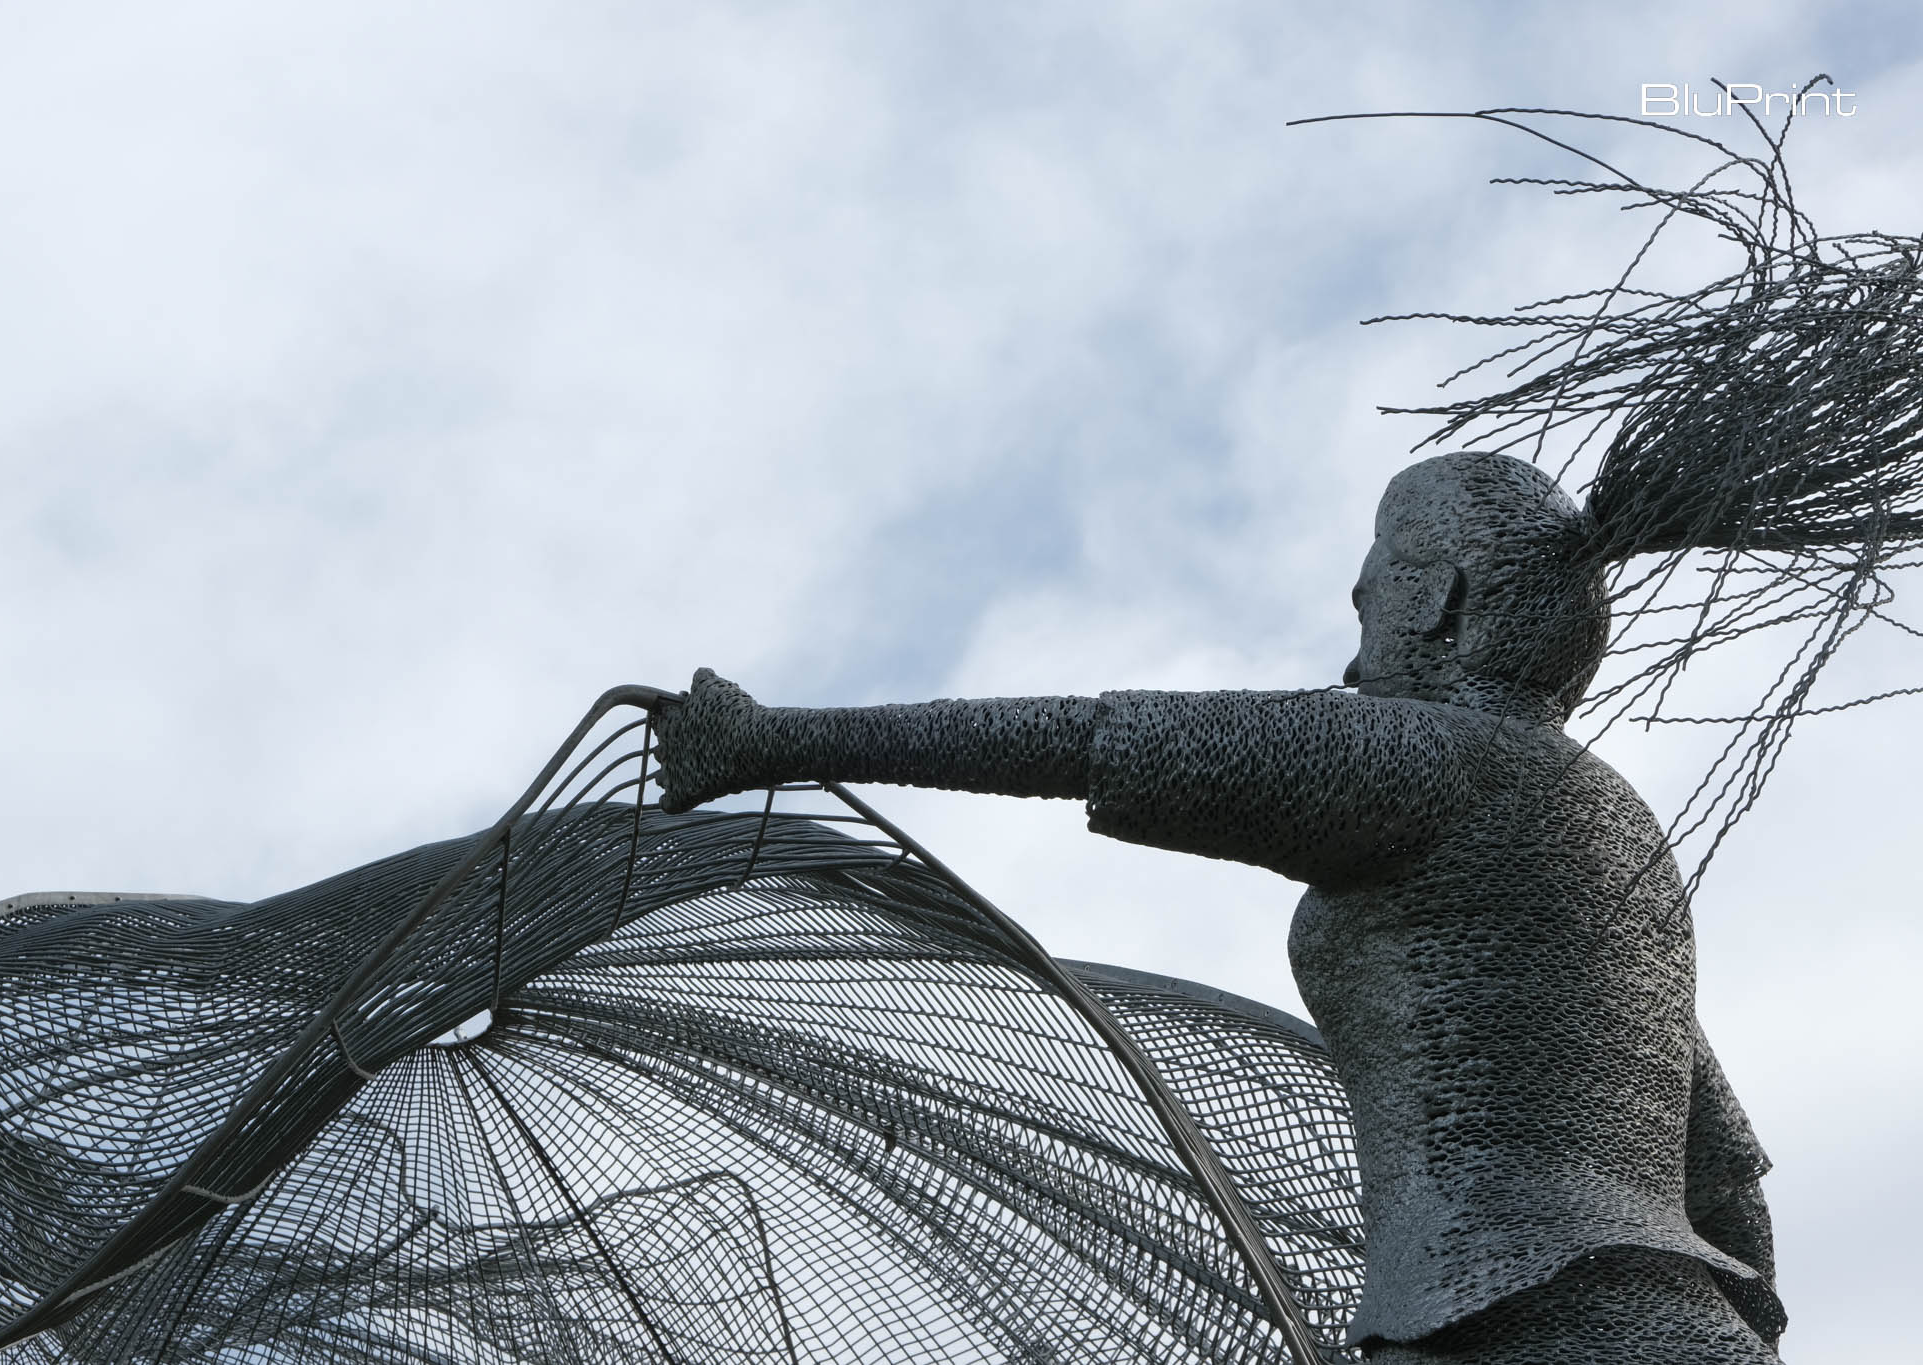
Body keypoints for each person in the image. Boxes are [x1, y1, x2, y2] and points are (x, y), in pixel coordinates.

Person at [651, 451, 1784, 1363]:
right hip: (1669, 1322)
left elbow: (1090, 741)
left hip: (1507, 1318)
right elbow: (1724, 1177)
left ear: (1437, 598)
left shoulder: (1434, 759)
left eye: (1373, 582)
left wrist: (777, 739)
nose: (1354, 633)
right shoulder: (1612, 825)